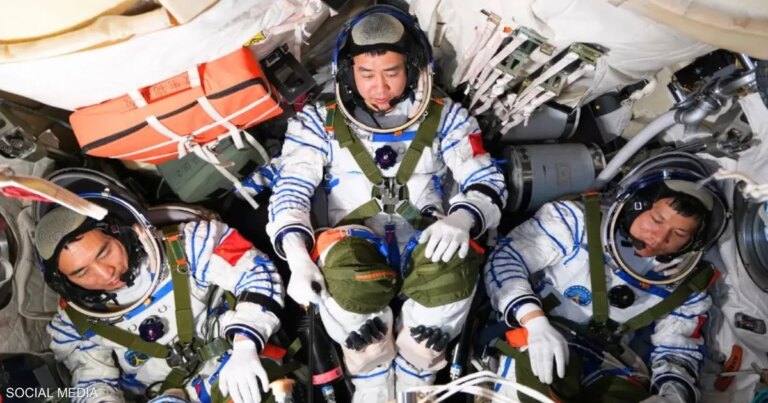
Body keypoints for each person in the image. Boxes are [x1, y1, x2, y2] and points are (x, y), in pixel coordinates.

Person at [266, 5, 506, 402]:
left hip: (427, 247)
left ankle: (418, 375)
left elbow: (486, 179)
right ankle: (370, 381)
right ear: (347, 72)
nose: (379, 87)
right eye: (366, 74)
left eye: (392, 73)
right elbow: (291, 190)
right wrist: (297, 257)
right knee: (351, 295)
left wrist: (463, 219)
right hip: (354, 255)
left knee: (452, 266)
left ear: (413, 68)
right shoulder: (317, 122)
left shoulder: (446, 118)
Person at [484, 153, 729, 403]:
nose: (659, 237)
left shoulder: (685, 286)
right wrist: (534, 321)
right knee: (535, 391)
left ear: (694, 241)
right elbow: (506, 259)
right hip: (537, 336)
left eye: (679, 233)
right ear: (638, 204)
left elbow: (677, 349)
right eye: (657, 219)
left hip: (606, 364)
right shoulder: (575, 223)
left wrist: (672, 394)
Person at [36, 197, 284, 403]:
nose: (105, 273)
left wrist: (245, 343)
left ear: (119, 231)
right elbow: (92, 382)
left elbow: (256, 274)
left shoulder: (190, 245)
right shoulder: (76, 324)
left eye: (105, 252)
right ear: (64, 281)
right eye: (82, 272)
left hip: (240, 364)